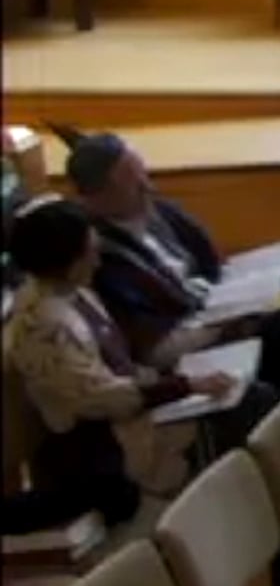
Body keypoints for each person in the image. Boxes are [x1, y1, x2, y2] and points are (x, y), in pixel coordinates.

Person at [1, 197, 259, 510]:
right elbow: (103, 397)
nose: (98, 262)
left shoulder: (71, 291)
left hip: (130, 409)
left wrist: (179, 380)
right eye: (90, 253)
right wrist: (185, 386)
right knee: (245, 407)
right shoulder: (44, 326)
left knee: (248, 390)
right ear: (66, 262)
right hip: (104, 444)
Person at [66, 133, 280, 396]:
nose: (149, 187)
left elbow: (209, 266)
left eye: (142, 173)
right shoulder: (100, 259)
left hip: (224, 316)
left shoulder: (156, 212)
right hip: (199, 359)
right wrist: (225, 327)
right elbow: (155, 352)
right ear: (97, 196)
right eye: (134, 183)